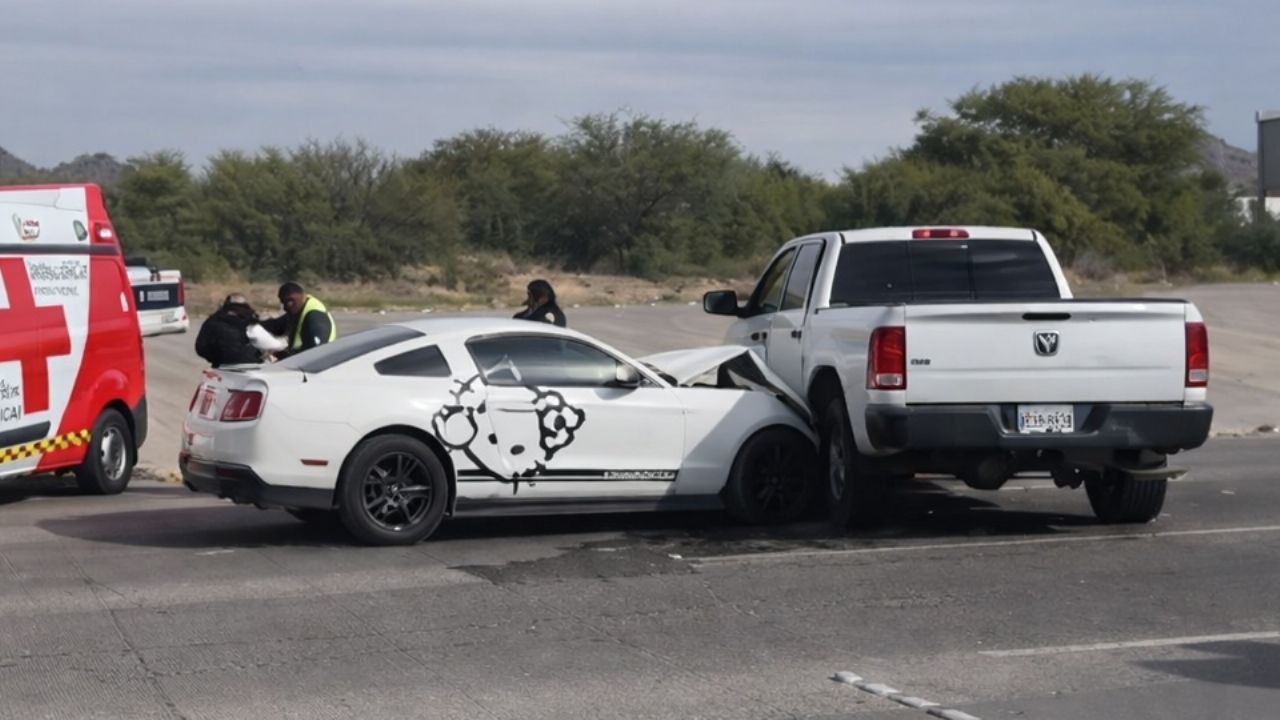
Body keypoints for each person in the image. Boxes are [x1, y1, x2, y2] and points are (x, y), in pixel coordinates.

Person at [259, 282, 336, 359]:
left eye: (289, 301)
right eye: (283, 303)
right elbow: (275, 326)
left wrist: (285, 355)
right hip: (302, 362)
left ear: (302, 296)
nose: (285, 307)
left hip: (320, 366)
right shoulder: (298, 310)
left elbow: (316, 352)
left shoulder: (315, 317)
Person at [194, 294, 269, 368]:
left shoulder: (213, 320)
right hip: (253, 364)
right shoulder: (255, 321)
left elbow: (201, 347)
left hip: (223, 365)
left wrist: (216, 358)